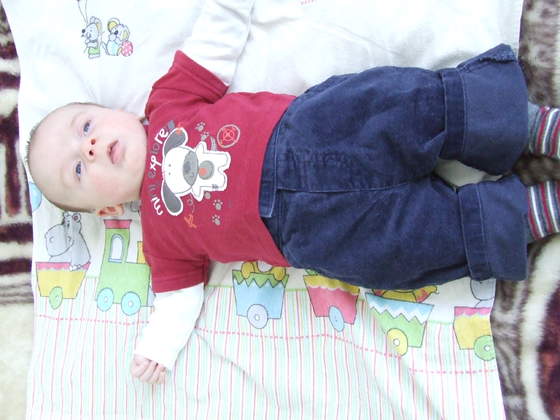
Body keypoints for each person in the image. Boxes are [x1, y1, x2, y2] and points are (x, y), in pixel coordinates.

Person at [25, 0, 560, 385]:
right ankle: (531, 212)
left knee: (400, 106)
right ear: (107, 208)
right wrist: (158, 347)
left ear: (112, 112)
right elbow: (177, 300)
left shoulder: (168, 103)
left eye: (85, 126)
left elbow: (213, 45)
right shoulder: (161, 241)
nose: (89, 147)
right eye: (77, 170)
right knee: (410, 245)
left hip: (313, 133)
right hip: (313, 232)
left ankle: (527, 126)